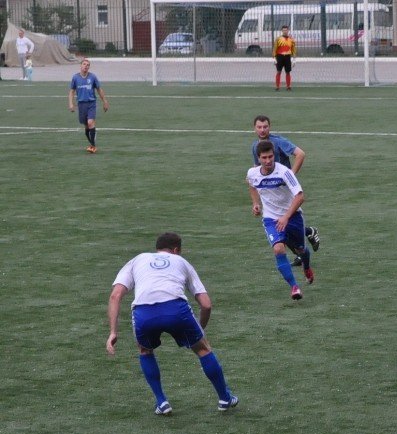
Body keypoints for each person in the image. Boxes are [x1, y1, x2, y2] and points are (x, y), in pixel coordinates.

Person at [106, 232, 238, 416]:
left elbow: (115, 295)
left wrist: (113, 331)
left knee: (145, 350)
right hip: (175, 309)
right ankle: (224, 398)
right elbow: (206, 304)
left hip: (144, 313)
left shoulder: (138, 259)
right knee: (203, 349)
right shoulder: (181, 262)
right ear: (176, 250)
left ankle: (162, 401)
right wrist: (199, 330)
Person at [247, 140, 314, 300]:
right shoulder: (252, 173)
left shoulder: (285, 172)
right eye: (264, 158)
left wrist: (286, 217)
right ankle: (294, 287)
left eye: (270, 157)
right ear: (259, 158)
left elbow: (300, 196)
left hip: (293, 217)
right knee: (278, 249)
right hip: (270, 218)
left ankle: (307, 266)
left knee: (300, 250)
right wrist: (256, 203)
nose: (268, 161)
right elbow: (251, 185)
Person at [251, 115, 320, 265]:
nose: (262, 130)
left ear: (270, 127)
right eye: (259, 127)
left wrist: (290, 176)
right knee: (279, 224)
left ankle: (304, 244)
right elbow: (257, 170)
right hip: (270, 191)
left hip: (286, 191)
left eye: (265, 127)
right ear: (254, 128)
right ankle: (308, 235)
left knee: (286, 221)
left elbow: (300, 154)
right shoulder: (255, 147)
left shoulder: (278, 141)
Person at [68, 58, 110, 154]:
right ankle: (92, 142)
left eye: (87, 65)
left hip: (91, 104)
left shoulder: (93, 77)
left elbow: (99, 89)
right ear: (80, 66)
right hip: (81, 104)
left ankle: (93, 146)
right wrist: (71, 103)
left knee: (90, 122)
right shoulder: (75, 78)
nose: (86, 66)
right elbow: (71, 91)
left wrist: (105, 101)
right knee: (86, 126)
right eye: (84, 64)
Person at [273, 25, 296, 91]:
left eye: (286, 30)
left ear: (288, 31)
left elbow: (294, 49)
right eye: (284, 30)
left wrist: (294, 59)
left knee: (288, 72)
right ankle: (277, 87)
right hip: (279, 56)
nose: (285, 31)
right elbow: (275, 48)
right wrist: (274, 58)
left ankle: (288, 86)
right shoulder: (278, 39)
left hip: (288, 57)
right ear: (282, 31)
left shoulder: (291, 39)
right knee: (279, 71)